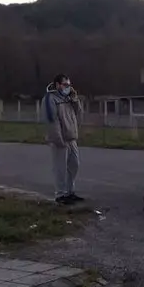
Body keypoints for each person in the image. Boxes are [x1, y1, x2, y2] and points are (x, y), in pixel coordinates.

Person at [42, 74, 84, 205]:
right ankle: (60, 194)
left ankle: (70, 192)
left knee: (74, 165)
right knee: (60, 168)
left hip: (71, 137)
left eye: (69, 85)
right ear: (57, 85)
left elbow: (79, 112)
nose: (68, 87)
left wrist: (75, 99)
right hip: (60, 139)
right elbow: (52, 121)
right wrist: (58, 139)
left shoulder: (68, 98)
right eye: (65, 85)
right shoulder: (50, 98)